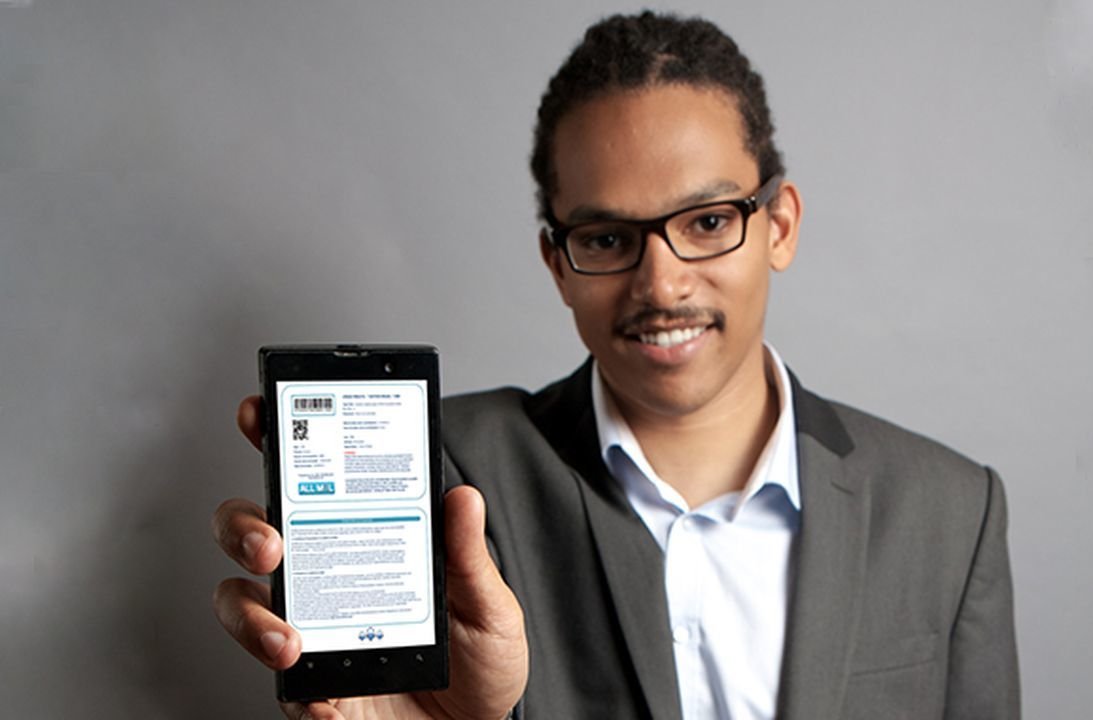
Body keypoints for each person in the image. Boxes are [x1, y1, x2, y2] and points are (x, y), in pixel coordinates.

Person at [212, 11, 1020, 720]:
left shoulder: (950, 510)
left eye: (708, 222)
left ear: (779, 225)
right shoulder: (447, 476)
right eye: (605, 239)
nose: (661, 286)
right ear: (557, 264)